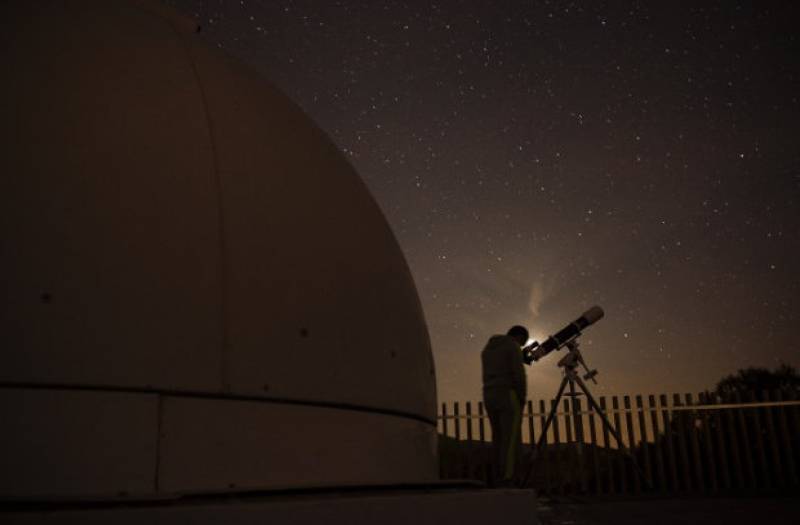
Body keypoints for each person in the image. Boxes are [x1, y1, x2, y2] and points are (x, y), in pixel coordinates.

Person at [481, 325, 528, 487]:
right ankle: (509, 478)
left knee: (498, 438)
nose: (522, 346)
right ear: (520, 337)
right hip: (508, 394)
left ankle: (497, 477)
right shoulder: (512, 346)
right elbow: (518, 374)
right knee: (511, 439)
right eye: (523, 342)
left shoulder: (488, 348)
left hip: (489, 394)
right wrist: (522, 397)